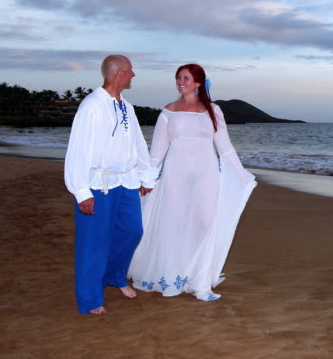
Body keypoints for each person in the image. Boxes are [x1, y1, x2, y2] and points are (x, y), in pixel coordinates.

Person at [128, 63, 256, 301]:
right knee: (173, 225)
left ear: (198, 82)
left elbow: (225, 148)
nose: (180, 82)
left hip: (206, 175)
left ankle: (200, 282)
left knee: (205, 224)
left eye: (185, 78)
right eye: (178, 78)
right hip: (175, 175)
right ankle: (173, 276)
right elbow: (157, 151)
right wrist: (148, 178)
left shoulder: (213, 110)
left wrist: (242, 174)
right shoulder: (168, 111)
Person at [64, 55, 152, 315]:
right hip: (98, 184)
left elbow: (137, 144)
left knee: (133, 231)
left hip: (126, 181)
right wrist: (81, 192)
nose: (133, 75)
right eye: (131, 71)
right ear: (119, 74)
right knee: (94, 242)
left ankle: (114, 275)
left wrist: (145, 176)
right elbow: (77, 151)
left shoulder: (127, 106)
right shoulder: (92, 106)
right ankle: (91, 299)